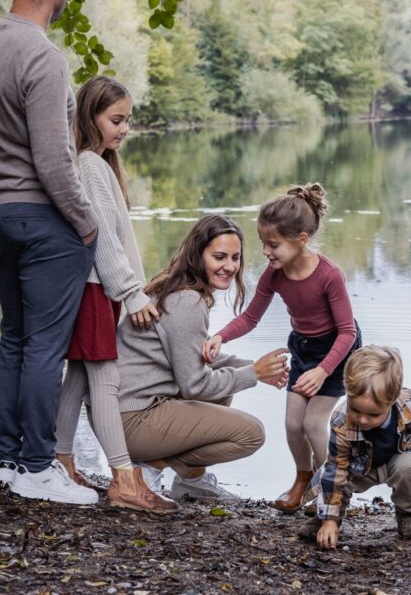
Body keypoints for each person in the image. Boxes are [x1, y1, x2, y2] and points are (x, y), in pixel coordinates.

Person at [0, 0, 99, 504]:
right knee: (44, 347)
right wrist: (86, 222)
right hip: (44, 219)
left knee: (14, 339)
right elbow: (54, 160)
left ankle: (8, 462)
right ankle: (39, 467)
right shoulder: (43, 55)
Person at [51, 76, 176, 514]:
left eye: (127, 120)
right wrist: (131, 292)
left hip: (98, 288)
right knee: (105, 378)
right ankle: (123, 479)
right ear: (91, 118)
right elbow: (101, 236)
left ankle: (61, 460)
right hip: (96, 287)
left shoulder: (99, 164)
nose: (124, 129)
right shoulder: (89, 164)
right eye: (116, 120)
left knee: (79, 376)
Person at [202, 184, 362, 512]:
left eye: (273, 244)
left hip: (337, 353)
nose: (265, 251)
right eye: (263, 242)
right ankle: (303, 480)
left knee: (313, 424)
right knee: (293, 424)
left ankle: (331, 487)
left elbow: (347, 331)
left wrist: (323, 371)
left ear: (301, 239)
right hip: (303, 349)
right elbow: (250, 318)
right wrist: (220, 336)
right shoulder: (274, 274)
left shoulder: (329, 275)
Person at [116, 214, 290, 501]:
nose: (230, 266)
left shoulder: (181, 289)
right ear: (198, 255)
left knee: (223, 390)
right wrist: (253, 374)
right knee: (251, 434)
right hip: (133, 420)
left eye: (235, 258)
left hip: (132, 411)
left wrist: (254, 368)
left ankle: (191, 481)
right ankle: (149, 467)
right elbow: (195, 386)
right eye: (219, 257)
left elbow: (199, 358)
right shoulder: (187, 302)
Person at [300, 345, 411, 548]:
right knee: (332, 476)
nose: (363, 420)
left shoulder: (408, 403)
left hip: (400, 455)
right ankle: (327, 520)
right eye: (356, 410)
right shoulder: (341, 420)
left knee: (409, 467)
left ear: (392, 400)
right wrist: (329, 519)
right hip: (358, 466)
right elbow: (336, 469)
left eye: (373, 414)